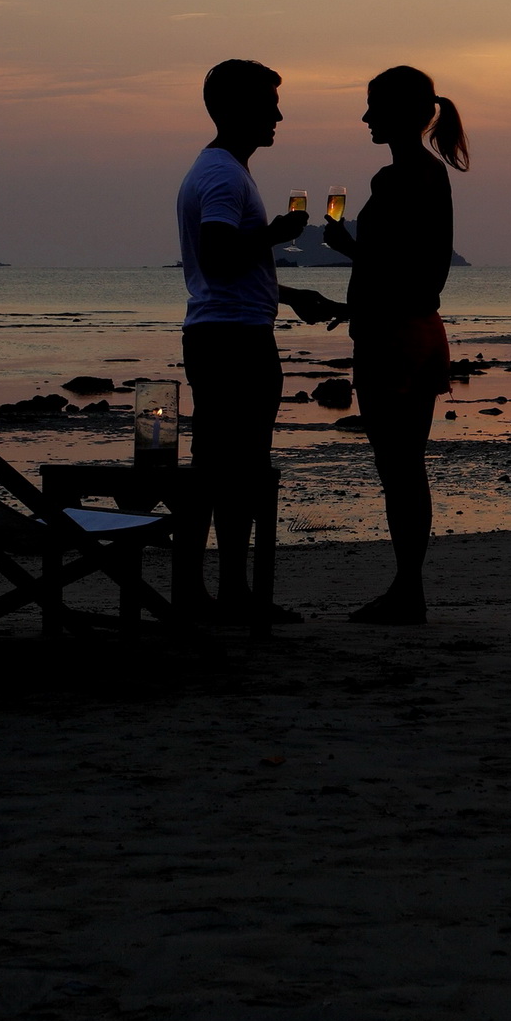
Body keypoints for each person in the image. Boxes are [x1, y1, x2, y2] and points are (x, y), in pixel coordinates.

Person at [281, 65, 469, 625]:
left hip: (393, 340)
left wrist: (344, 244)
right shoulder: (433, 174)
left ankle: (407, 593)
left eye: (373, 107)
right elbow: (417, 274)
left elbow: (395, 266)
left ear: (402, 114)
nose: (365, 117)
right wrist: (352, 302)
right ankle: (407, 588)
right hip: (420, 331)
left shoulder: (395, 179)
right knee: (408, 467)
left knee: (399, 469)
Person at [177, 59, 307, 623]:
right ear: (231, 111)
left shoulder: (218, 170)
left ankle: (209, 589)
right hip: (234, 342)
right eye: (266, 104)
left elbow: (226, 268)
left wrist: (288, 291)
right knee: (240, 467)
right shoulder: (225, 176)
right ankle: (229, 592)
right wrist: (275, 234)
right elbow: (218, 256)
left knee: (217, 465)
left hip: (220, 332)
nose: (277, 114)